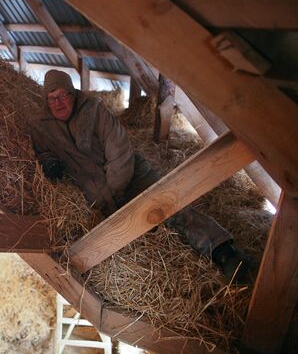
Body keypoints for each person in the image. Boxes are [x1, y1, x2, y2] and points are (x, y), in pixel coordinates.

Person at [30, 70, 253, 284]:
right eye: (51, 98)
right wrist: (49, 162)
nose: (58, 103)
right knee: (139, 238)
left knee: (170, 205)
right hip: (97, 195)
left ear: (73, 93)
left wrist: (114, 192)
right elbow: (43, 151)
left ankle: (225, 252)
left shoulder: (94, 110)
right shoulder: (42, 127)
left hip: (131, 177)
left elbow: (119, 151)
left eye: (62, 95)